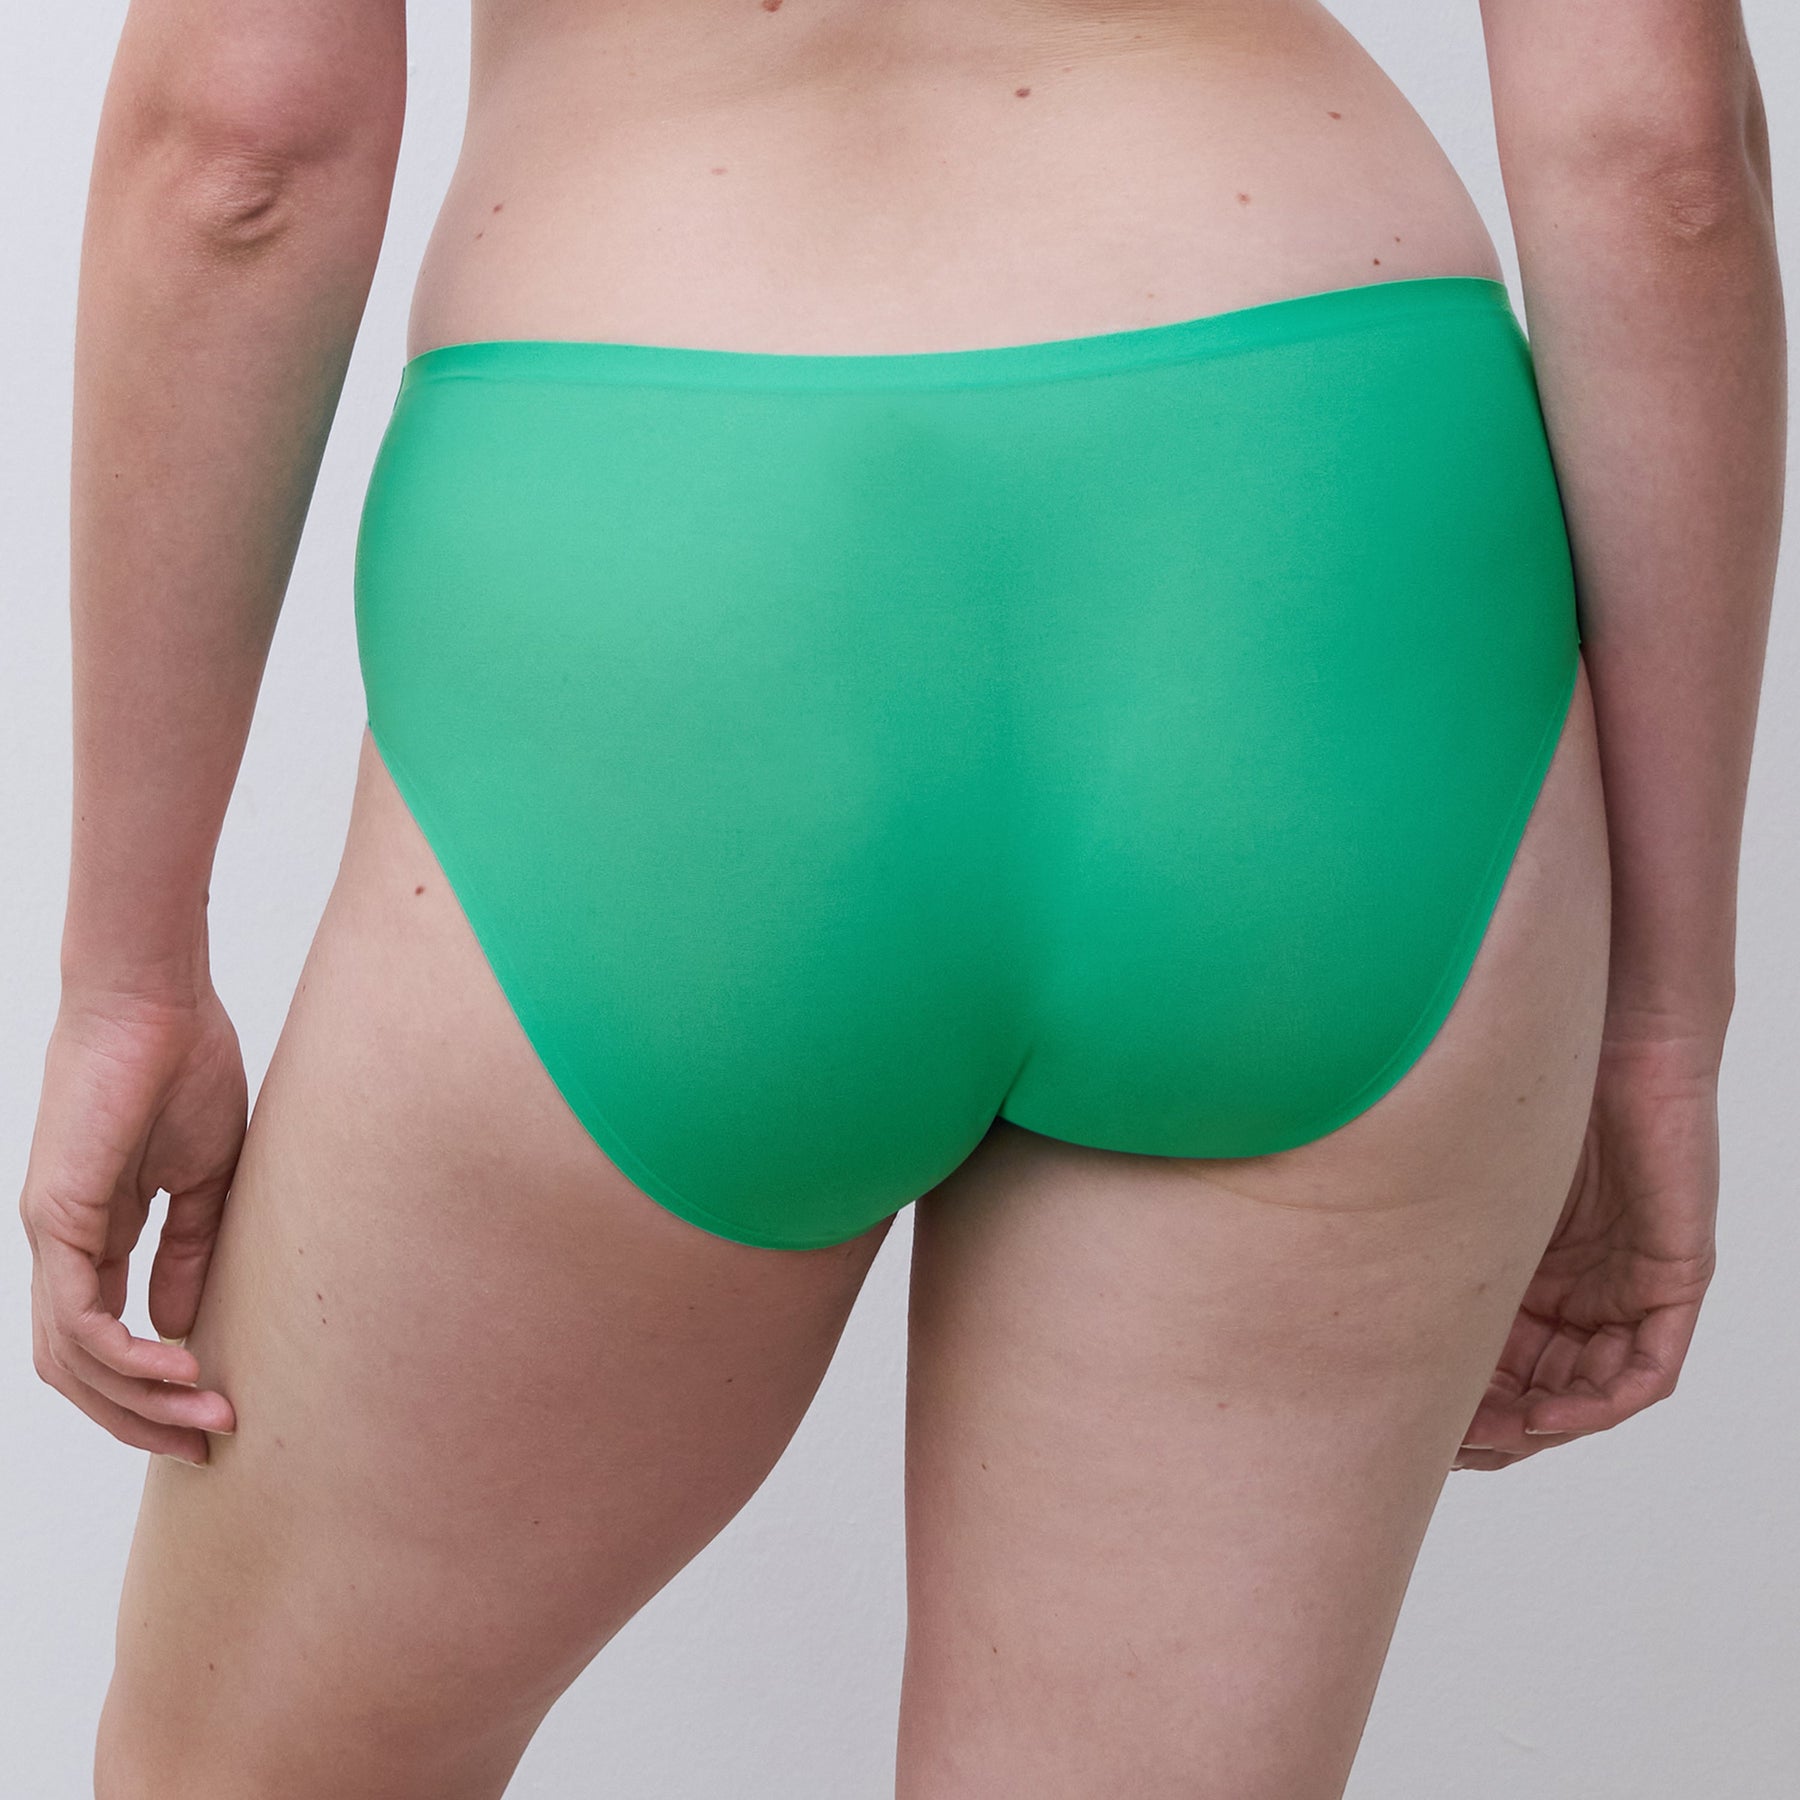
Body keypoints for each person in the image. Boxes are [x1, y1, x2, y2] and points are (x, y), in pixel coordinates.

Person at [17, 1, 1784, 1795]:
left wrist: (127, 975)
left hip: (677, 538)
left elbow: (239, 156)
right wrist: (1663, 1016)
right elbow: (1662, 166)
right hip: (1316, 549)